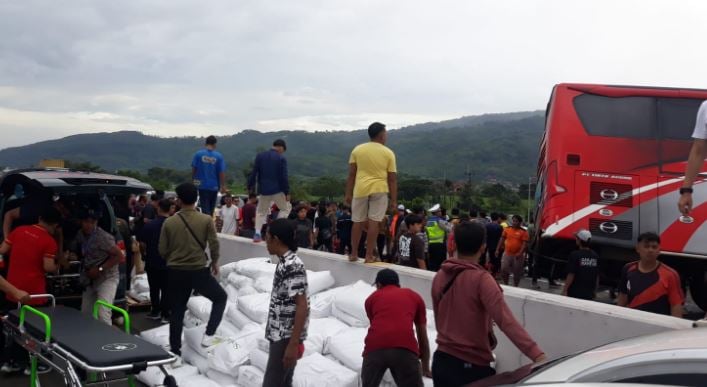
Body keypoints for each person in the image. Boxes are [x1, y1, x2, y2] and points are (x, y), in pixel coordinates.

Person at [431, 221, 546, 386]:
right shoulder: (482, 280)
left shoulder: (440, 275)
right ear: (483, 247)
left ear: (454, 244)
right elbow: (506, 322)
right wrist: (538, 356)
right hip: (471, 368)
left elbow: (438, 319)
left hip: (441, 362)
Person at [159, 183, 226, 357]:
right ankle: (209, 335)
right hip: (198, 271)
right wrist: (215, 262)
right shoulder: (205, 220)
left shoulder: (169, 222)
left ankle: (175, 352)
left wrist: (173, 259)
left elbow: (162, 250)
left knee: (177, 310)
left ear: (179, 201)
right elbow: (214, 244)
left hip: (175, 272)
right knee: (220, 298)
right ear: (196, 199)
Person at [0, 207, 60, 374]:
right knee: (34, 328)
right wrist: (58, 265)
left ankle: (12, 361)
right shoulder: (49, 242)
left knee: (14, 324)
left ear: (40, 218)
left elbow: (2, 250)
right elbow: (48, 267)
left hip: (11, 288)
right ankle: (35, 363)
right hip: (34, 292)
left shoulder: (18, 230)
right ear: (55, 225)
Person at [362, 269, 431, 387]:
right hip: (405, 348)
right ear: (398, 284)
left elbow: (378, 327)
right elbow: (422, 337)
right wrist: (425, 368)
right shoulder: (415, 296)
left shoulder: (370, 299)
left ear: (378, 285)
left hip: (374, 349)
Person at [263, 219, 309, 387]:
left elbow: (302, 305)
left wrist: (293, 344)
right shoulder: (284, 262)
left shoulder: (292, 266)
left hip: (285, 337)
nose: (265, 242)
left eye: (267, 237)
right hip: (280, 335)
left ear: (276, 239)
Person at [345, 122, 398, 263]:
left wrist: (348, 194)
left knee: (357, 221)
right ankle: (368, 256)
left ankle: (354, 254)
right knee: (374, 222)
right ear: (381, 135)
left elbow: (351, 174)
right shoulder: (388, 153)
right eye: (386, 133)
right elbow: (392, 179)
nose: (386, 135)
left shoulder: (357, 150)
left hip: (360, 189)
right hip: (380, 189)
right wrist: (393, 200)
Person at [74, 207, 123, 325]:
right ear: (81, 222)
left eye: (92, 222)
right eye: (86, 222)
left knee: (103, 313)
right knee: (85, 313)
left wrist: (100, 268)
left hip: (107, 277)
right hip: (89, 278)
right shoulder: (80, 234)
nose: (89, 225)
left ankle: (107, 341)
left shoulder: (103, 237)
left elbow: (119, 256)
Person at [617, 232, 684, 317]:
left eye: (654, 247)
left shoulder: (670, 275)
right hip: (633, 322)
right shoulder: (628, 268)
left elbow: (676, 305)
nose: (650, 250)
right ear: (638, 249)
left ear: (659, 250)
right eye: (646, 246)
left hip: (659, 324)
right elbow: (623, 297)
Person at [247, 139, 292, 243]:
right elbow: (284, 177)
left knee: (260, 211)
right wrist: (287, 192)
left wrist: (250, 185)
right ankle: (275, 227)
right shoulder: (281, 158)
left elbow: (254, 172)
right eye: (283, 150)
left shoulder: (260, 156)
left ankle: (257, 233)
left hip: (264, 190)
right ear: (281, 147)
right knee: (286, 208)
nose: (282, 152)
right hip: (278, 190)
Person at [137, 198, 172, 322]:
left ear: (158, 208)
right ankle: (166, 314)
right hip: (169, 263)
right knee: (167, 289)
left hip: (152, 261)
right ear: (170, 209)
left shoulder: (150, 225)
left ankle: (155, 311)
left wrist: (143, 255)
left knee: (154, 288)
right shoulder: (173, 225)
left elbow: (141, 243)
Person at [192, 135, 226, 217]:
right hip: (214, 186)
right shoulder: (218, 156)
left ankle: (206, 225)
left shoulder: (198, 154)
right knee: (211, 209)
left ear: (205, 143)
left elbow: (194, 169)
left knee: (205, 208)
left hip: (201, 185)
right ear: (215, 144)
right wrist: (222, 186)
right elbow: (221, 172)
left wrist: (193, 180)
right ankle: (209, 224)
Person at [562, 229, 599, 300]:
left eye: (577, 238)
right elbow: (597, 276)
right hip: (589, 294)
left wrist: (565, 290)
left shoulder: (575, 255)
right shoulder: (595, 256)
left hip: (574, 293)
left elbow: (571, 274)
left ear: (579, 240)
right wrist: (595, 291)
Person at [496, 215, 529, 287]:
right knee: (504, 269)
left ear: (520, 222)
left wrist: (520, 253)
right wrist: (497, 249)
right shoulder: (507, 229)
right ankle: (506, 284)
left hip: (518, 255)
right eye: (513, 221)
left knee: (517, 272)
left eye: (516, 221)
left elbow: (524, 244)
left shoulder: (524, 232)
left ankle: (515, 285)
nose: (514, 223)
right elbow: (502, 239)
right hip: (507, 253)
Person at [426, 204, 449, 272]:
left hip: (430, 244)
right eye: (439, 211)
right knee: (440, 264)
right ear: (436, 212)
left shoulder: (428, 221)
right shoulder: (439, 221)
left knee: (432, 263)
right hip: (439, 245)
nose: (441, 212)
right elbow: (450, 228)